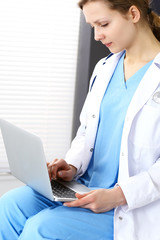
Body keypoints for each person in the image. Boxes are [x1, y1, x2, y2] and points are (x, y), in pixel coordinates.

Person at [1, 0, 160, 239]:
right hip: (83, 185)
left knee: (41, 229)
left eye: (103, 24)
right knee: (9, 205)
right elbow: (87, 131)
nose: (97, 35)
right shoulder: (105, 67)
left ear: (133, 14)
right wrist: (72, 165)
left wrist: (119, 195)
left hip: (129, 202)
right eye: (92, 27)